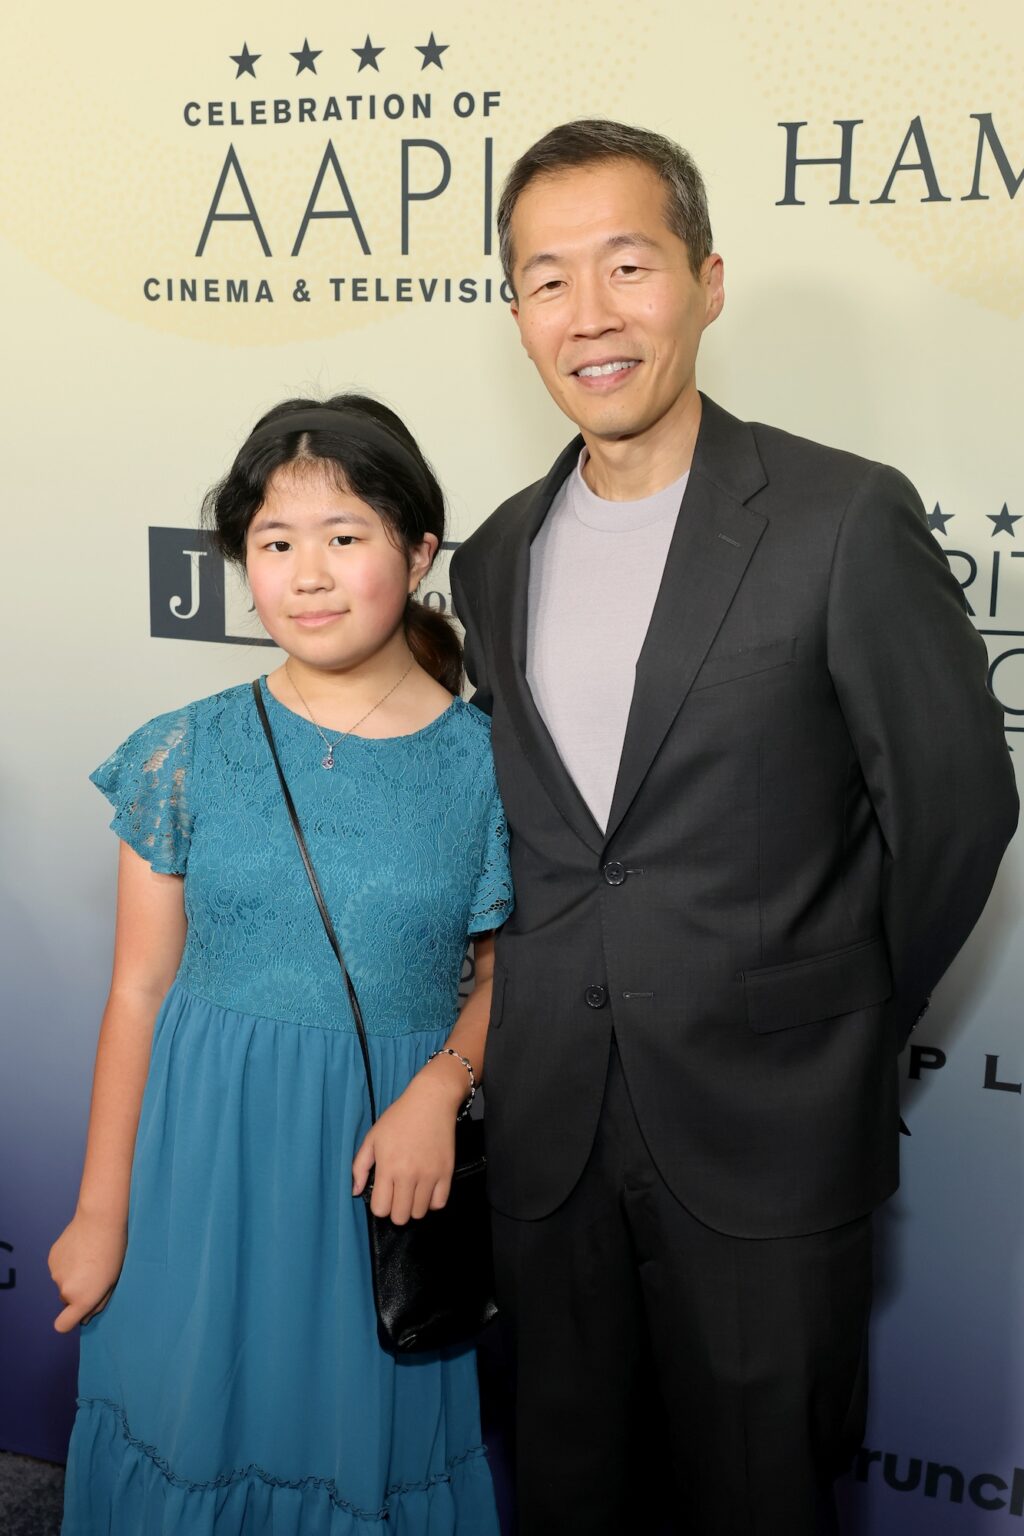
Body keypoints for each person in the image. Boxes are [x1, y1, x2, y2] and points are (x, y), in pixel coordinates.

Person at [449, 119, 1019, 1535]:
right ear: (515, 310)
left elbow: (954, 809)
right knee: (568, 1486)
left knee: (763, 1496)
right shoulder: (498, 550)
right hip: (551, 1131)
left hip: (771, 1134)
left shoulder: (838, 518)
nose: (590, 314)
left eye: (627, 265)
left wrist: (829, 1020)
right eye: (547, 278)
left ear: (706, 280)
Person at [50, 394, 512, 1534]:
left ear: (416, 552)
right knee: (182, 1429)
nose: (307, 574)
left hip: (384, 1168)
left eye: (345, 537)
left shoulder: (487, 765)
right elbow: (138, 991)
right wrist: (102, 1209)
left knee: (360, 1455)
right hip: (199, 1160)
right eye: (275, 542)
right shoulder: (185, 747)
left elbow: (516, 971)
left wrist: (444, 1085)